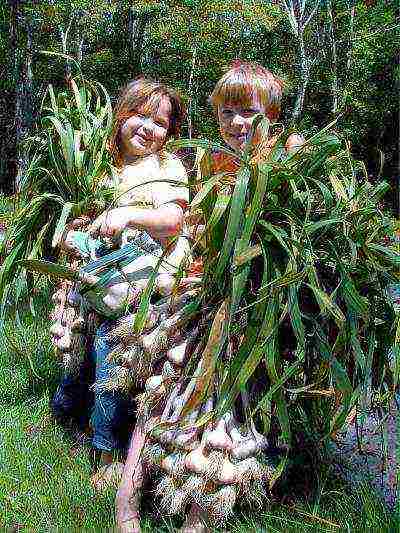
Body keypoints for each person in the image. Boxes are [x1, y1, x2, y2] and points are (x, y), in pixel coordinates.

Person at [115, 61, 304, 533]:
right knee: (162, 386)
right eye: (227, 113)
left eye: (249, 112)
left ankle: (198, 518)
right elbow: (199, 228)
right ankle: (127, 506)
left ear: (273, 115)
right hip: (206, 294)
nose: (237, 123)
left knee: (227, 400)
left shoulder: (288, 154)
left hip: (255, 304)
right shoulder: (212, 162)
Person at [51, 77, 190, 476]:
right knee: (77, 362)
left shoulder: (167, 167)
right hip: (96, 285)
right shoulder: (101, 166)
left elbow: (173, 220)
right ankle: (62, 414)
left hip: (139, 292)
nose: (149, 128)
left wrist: (128, 214)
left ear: (171, 131)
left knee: (111, 367)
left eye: (160, 122)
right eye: (140, 116)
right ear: (120, 116)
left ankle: (105, 450)